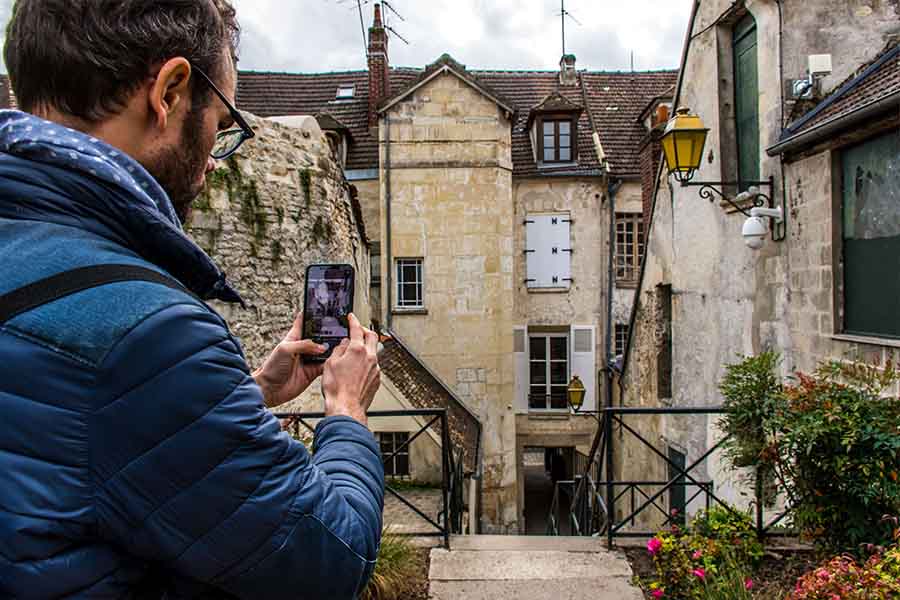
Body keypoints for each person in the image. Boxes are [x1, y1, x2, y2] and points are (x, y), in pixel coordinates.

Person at [0, 1, 384, 598]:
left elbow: (77, 430)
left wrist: (251, 390)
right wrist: (346, 412)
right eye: (224, 124)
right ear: (171, 92)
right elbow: (327, 558)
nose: (211, 158)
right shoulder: (152, 335)